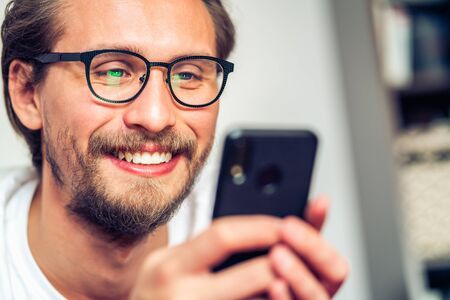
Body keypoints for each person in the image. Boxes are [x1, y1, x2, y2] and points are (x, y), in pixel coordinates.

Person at [0, 0, 348, 299]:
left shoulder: (246, 248)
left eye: (187, 75)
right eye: (114, 71)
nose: (155, 117)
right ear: (28, 92)